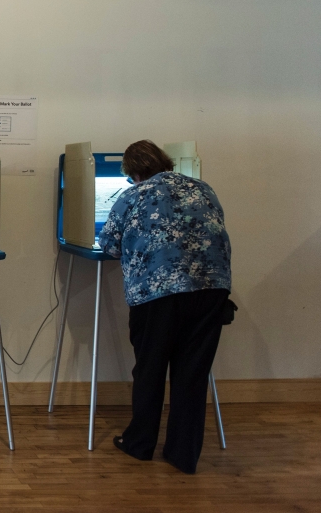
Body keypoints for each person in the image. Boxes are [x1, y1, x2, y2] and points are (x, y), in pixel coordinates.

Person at [99, 140, 232, 474]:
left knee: (151, 369)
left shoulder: (131, 197)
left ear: (133, 172)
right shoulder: (204, 189)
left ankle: (140, 444)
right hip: (211, 291)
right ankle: (183, 454)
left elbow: (110, 246)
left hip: (157, 293)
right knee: (192, 374)